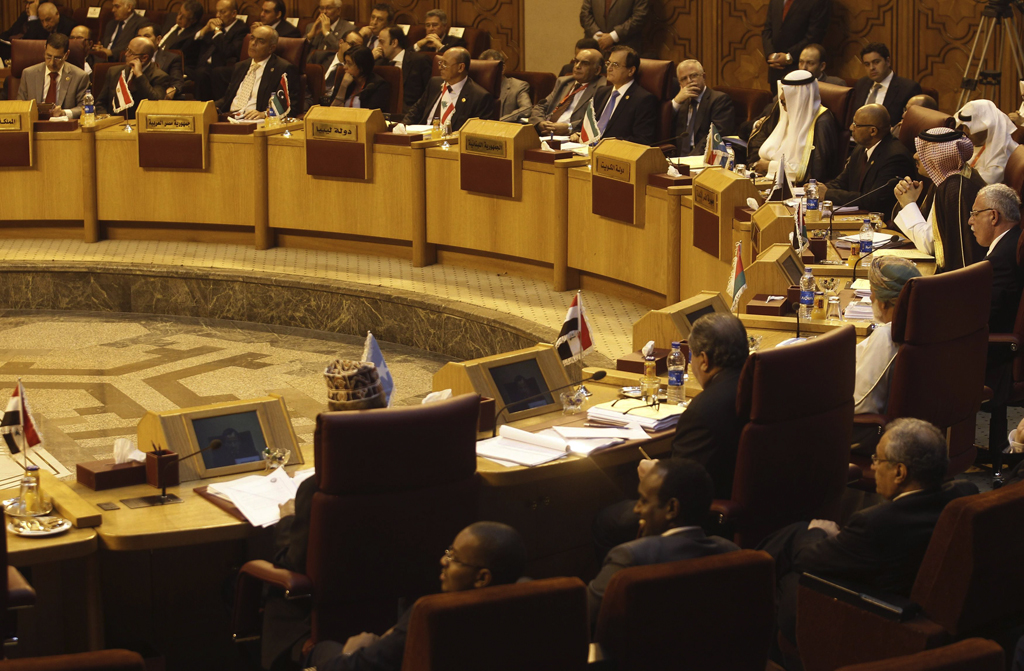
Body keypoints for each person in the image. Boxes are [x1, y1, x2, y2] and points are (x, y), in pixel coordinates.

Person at [759, 418, 978, 650]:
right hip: (930, 609)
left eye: (878, 459)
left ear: (899, 472)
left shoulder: (875, 523)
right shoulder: (963, 496)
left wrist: (818, 532)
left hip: (876, 616)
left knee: (786, 572)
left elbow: (807, 560)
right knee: (794, 534)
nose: (872, 467)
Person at [593, 313, 749, 560]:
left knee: (608, 520)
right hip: (759, 505)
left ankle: (618, 588)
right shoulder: (760, 388)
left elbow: (681, 490)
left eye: (692, 358)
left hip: (706, 515)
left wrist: (653, 472)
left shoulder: (703, 410)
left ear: (705, 361)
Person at [305, 522, 527, 671]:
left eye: (454, 558)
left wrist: (353, 652)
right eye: (448, 551)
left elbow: (362, 666)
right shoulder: (532, 601)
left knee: (321, 651)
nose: (443, 561)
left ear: (482, 578)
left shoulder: (432, 615)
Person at [587, 459, 738, 626]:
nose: (636, 509)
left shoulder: (630, 557)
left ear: (672, 509)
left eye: (643, 501)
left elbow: (584, 616)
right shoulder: (733, 553)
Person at [850, 257, 921, 453]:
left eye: (872, 293)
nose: (870, 298)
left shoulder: (887, 336)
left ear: (883, 303)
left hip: (864, 434)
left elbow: (857, 405)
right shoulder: (919, 329)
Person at [892, 127, 986, 272]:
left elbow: (930, 245)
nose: (916, 156)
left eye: (923, 151)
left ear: (940, 157)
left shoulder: (956, 188)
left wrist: (908, 204)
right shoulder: (948, 178)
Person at [820, 104, 915, 216]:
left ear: (873, 131)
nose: (851, 127)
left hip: (879, 222)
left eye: (856, 125)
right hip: (859, 215)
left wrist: (828, 194)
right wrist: (819, 188)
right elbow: (843, 181)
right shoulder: (861, 148)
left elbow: (873, 201)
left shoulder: (895, 157)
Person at [750, 69, 841, 185]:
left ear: (801, 96)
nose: (781, 97)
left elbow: (815, 172)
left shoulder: (822, 122)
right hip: (765, 179)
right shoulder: (782, 109)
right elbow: (760, 139)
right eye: (782, 91)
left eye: (787, 93)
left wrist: (770, 166)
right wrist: (755, 164)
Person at [402, 47, 495, 132]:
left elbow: (476, 133)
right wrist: (402, 126)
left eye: (445, 64)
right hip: (421, 137)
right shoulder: (434, 83)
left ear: (460, 67)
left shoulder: (479, 97)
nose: (440, 67)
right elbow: (417, 109)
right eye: (440, 63)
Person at [216, 25, 301, 119]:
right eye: (252, 38)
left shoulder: (283, 69)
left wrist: (264, 114)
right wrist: (210, 106)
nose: (253, 43)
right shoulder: (240, 66)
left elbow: (289, 108)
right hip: (229, 118)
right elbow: (228, 98)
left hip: (254, 122)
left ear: (271, 48)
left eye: (260, 41)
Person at [528, 47, 605, 137]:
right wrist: (540, 123)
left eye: (584, 63)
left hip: (571, 137)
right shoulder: (564, 82)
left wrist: (569, 127)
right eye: (576, 61)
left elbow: (594, 119)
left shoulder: (601, 89)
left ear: (597, 70)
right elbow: (540, 106)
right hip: (546, 133)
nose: (577, 66)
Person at [588, 45, 657, 145]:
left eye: (615, 65)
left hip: (614, 154)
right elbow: (588, 123)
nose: (609, 69)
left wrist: (607, 143)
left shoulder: (643, 99)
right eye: (608, 63)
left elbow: (642, 140)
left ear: (631, 71)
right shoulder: (601, 92)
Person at [95, 36, 171, 119]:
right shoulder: (114, 72)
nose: (126, 54)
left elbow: (155, 103)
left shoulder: (160, 77)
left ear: (144, 58)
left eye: (131, 52)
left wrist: (139, 75)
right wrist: (106, 119)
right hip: (112, 123)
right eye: (127, 49)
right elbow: (100, 103)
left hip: (138, 124)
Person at [17, 32, 89, 118]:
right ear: (45, 50)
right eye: (48, 56)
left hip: (63, 126)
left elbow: (85, 107)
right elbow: (19, 105)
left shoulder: (80, 76)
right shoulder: (28, 74)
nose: (52, 63)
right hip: (34, 124)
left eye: (57, 58)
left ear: (66, 55)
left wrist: (64, 113)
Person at [672, 59, 735, 157]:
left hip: (702, 157)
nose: (689, 81)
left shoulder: (719, 100)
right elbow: (664, 128)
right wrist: (676, 102)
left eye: (693, 76)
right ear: (680, 84)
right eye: (684, 79)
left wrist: (690, 159)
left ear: (703, 76)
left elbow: (715, 137)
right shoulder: (681, 101)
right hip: (678, 159)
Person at [761, 0, 831, 87]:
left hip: (801, 71)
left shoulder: (819, 2)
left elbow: (814, 36)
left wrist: (789, 57)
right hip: (776, 70)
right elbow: (767, 30)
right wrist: (770, 55)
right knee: (777, 100)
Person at [852, 43, 922, 127]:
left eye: (876, 62)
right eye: (867, 64)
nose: (871, 68)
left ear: (888, 61)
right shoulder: (861, 84)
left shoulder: (908, 88)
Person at [191, 0, 248, 102]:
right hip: (206, 66)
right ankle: (200, 108)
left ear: (233, 13)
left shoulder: (241, 29)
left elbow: (229, 51)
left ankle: (218, 109)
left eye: (222, 12)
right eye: (217, 12)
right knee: (200, 72)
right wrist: (205, 30)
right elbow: (191, 47)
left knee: (214, 72)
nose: (218, 16)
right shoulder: (212, 26)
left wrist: (217, 32)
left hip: (225, 66)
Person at [955, 99, 1020, 185]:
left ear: (986, 127)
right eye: (964, 127)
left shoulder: (1001, 154)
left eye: (969, 128)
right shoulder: (977, 143)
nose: (965, 132)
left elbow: (983, 184)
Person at [376, 26, 430, 112]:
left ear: (394, 43)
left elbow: (428, 93)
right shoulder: (379, 63)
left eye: (381, 42)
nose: (378, 46)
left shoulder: (419, 60)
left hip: (412, 113)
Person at [307, 29, 363, 108]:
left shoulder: (355, 70)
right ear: (341, 42)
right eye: (352, 44)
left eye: (358, 48)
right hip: (312, 103)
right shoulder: (319, 57)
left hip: (334, 106)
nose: (354, 50)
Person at [330, 46, 390, 111]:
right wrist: (343, 87)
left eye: (349, 64)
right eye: (345, 63)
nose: (344, 67)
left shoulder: (378, 85)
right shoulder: (343, 79)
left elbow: (372, 115)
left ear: (361, 67)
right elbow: (332, 111)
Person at [479, 49, 531, 123]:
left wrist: (500, 121)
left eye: (489, 69)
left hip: (505, 129)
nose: (486, 74)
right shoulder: (477, 88)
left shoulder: (518, 86)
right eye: (483, 70)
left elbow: (526, 109)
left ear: (502, 68)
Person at [579, 0, 648, 53]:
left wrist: (613, 37)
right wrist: (599, 38)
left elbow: (640, 17)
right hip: (593, 48)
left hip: (625, 49)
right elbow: (585, 15)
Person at [137, 22, 183, 97]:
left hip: (159, 98)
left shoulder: (172, 59)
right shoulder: (130, 57)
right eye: (139, 37)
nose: (142, 40)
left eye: (147, 36)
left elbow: (177, 82)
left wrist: (173, 89)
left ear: (158, 40)